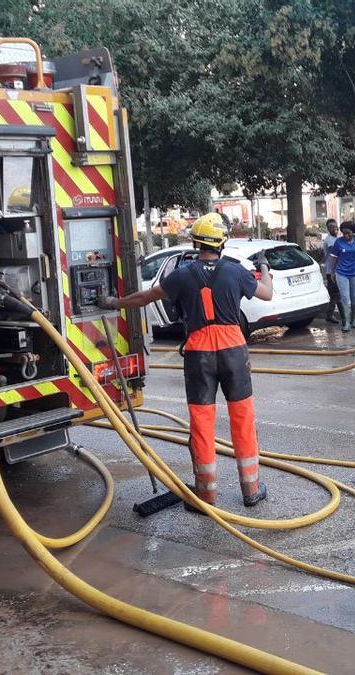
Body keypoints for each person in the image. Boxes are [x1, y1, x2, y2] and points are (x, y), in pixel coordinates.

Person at [97, 213, 271, 508]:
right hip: (233, 351)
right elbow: (266, 293)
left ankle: (206, 494)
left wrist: (114, 303)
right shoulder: (235, 271)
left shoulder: (182, 274)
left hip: (199, 352)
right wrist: (264, 268)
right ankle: (251, 489)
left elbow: (146, 297)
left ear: (195, 242)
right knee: (242, 418)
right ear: (222, 242)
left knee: (202, 423)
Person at [326, 221, 355, 332]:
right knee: (345, 298)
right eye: (343, 233)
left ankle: (354, 319)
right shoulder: (338, 242)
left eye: (348, 233)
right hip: (341, 273)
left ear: (353, 231)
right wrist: (332, 272)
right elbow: (333, 258)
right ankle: (346, 322)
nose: (346, 236)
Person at [321, 219, 341, 323]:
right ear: (328, 229)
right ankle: (332, 315)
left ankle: (332, 315)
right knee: (335, 295)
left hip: (337, 270)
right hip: (331, 272)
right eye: (331, 227)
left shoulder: (336, 238)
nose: (334, 228)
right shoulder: (329, 240)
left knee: (337, 294)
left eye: (335, 226)